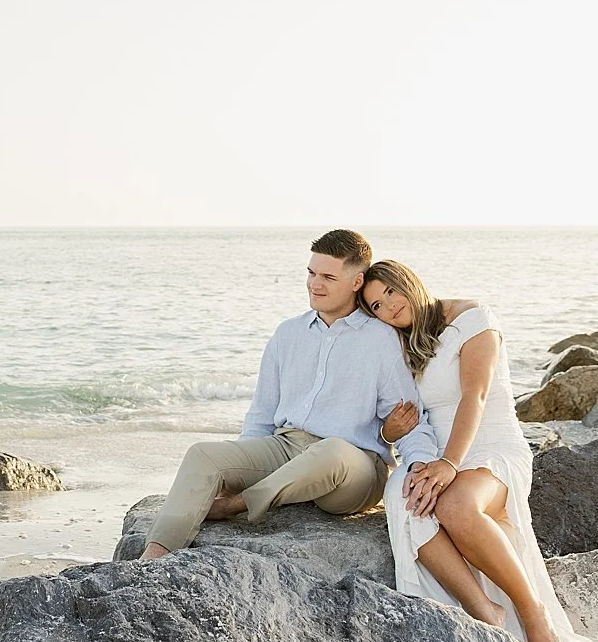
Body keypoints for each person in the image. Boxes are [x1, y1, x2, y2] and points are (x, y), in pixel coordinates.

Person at [140, 230, 440, 560]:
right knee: (202, 455)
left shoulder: (381, 340)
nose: (315, 285)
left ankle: (239, 505)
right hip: (286, 447)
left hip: (353, 467)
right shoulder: (288, 333)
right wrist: (239, 466)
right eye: (311, 273)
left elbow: (410, 420)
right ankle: (153, 558)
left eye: (328, 277)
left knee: (332, 451)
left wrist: (421, 467)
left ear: (356, 282)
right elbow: (261, 413)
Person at [359, 259, 595, 642]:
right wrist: (390, 435)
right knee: (405, 495)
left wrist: (451, 463)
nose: (389, 308)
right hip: (441, 456)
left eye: (391, 293)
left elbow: (476, 397)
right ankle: (484, 609)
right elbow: (399, 417)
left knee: (455, 506)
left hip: (494, 449)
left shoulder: (472, 318)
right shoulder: (403, 342)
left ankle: (532, 613)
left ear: (409, 282)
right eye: (376, 306)